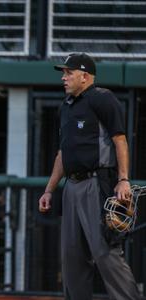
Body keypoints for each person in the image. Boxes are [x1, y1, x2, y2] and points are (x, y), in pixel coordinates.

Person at [38, 53, 140, 299]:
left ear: (84, 76)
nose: (64, 78)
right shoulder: (65, 107)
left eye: (68, 73)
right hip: (71, 186)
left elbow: (120, 140)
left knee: (105, 252)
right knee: (72, 258)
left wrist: (123, 179)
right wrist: (49, 190)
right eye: (63, 73)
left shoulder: (102, 99)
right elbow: (62, 153)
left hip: (97, 182)